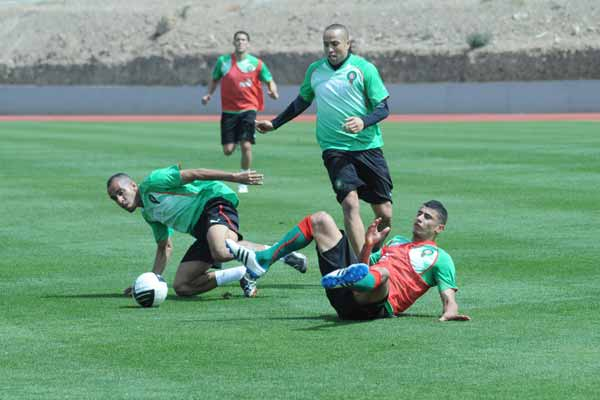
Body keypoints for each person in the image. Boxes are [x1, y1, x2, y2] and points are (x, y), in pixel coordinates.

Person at [255, 23, 393, 256]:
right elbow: (302, 101)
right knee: (350, 204)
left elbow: (383, 108)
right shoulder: (315, 70)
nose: (330, 49)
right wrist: (275, 123)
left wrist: (363, 122)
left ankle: (374, 252)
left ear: (348, 44)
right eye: (326, 44)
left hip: (368, 147)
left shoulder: (364, 69)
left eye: (335, 44)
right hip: (334, 149)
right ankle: (364, 266)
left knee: (385, 213)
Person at [226, 200, 470, 321]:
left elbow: (449, 299)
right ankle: (264, 260)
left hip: (372, 306)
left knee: (383, 275)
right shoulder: (396, 241)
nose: (419, 218)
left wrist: (451, 312)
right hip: (351, 291)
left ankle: (347, 279)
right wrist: (368, 244)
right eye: (419, 213)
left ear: (439, 228)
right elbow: (365, 263)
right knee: (320, 220)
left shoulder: (441, 259)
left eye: (427, 217)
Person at [106, 164, 306, 299]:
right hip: (201, 231)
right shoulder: (148, 214)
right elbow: (164, 247)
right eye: (114, 198)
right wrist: (150, 281)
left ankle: (277, 254)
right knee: (183, 286)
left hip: (212, 201)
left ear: (133, 185)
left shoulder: (153, 182)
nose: (120, 201)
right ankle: (245, 271)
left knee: (220, 250)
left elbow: (195, 174)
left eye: (120, 193)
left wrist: (235, 177)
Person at [202, 30, 279, 194]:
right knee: (228, 150)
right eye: (237, 39)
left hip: (249, 109)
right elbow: (214, 79)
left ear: (248, 43)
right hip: (229, 111)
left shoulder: (256, 63)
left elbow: (269, 80)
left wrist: (273, 91)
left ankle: (244, 180)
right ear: (234, 42)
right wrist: (209, 94)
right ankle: (237, 139)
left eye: (243, 39)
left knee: (246, 145)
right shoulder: (223, 62)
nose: (240, 42)